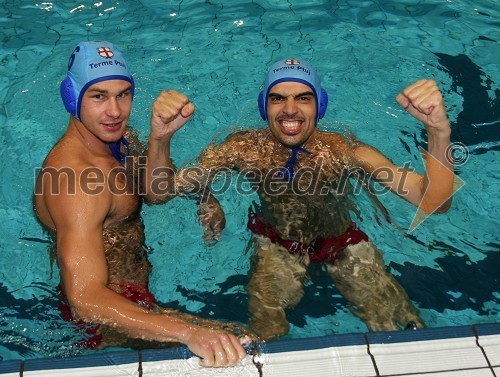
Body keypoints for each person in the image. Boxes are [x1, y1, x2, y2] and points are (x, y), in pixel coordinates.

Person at [159, 59, 455, 341]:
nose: (290, 110)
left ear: (319, 105)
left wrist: (438, 131)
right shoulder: (243, 149)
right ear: (264, 106)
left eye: (303, 98)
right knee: (266, 333)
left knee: (400, 329)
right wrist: (200, 190)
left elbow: (434, 203)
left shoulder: (345, 152)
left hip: (342, 242)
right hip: (277, 244)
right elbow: (164, 190)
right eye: (277, 99)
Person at [34, 41, 251, 367]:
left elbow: (156, 193)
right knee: (243, 343)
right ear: (71, 97)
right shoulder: (77, 180)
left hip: (133, 302)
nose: (115, 110)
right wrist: (190, 333)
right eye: (99, 96)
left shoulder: (115, 138)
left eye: (123, 94)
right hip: (104, 323)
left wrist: (161, 140)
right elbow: (85, 300)